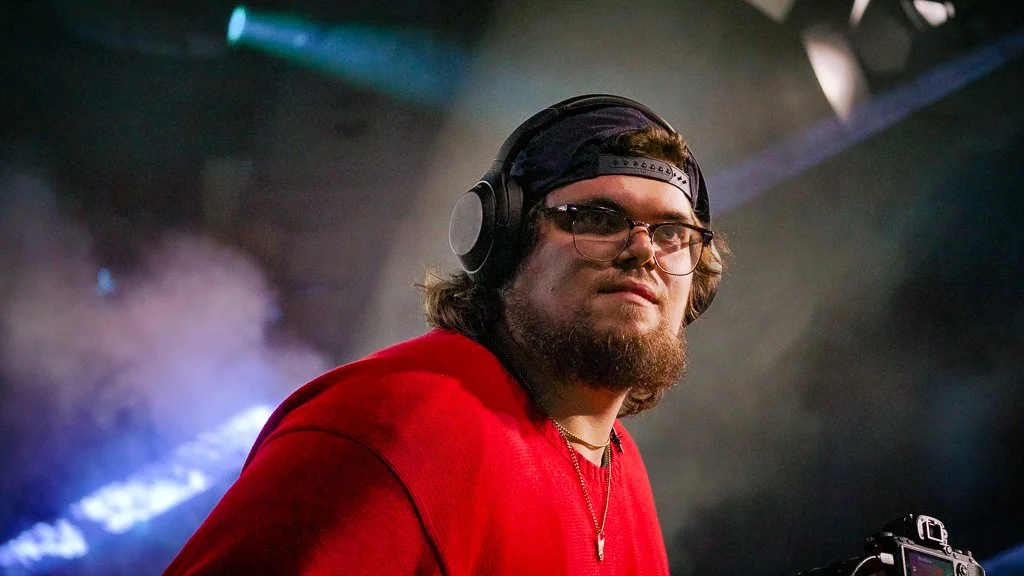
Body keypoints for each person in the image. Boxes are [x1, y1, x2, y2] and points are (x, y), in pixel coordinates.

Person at [163, 94, 727, 575]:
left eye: (673, 233)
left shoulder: (622, 471)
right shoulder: (395, 425)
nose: (644, 250)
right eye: (599, 218)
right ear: (504, 244)